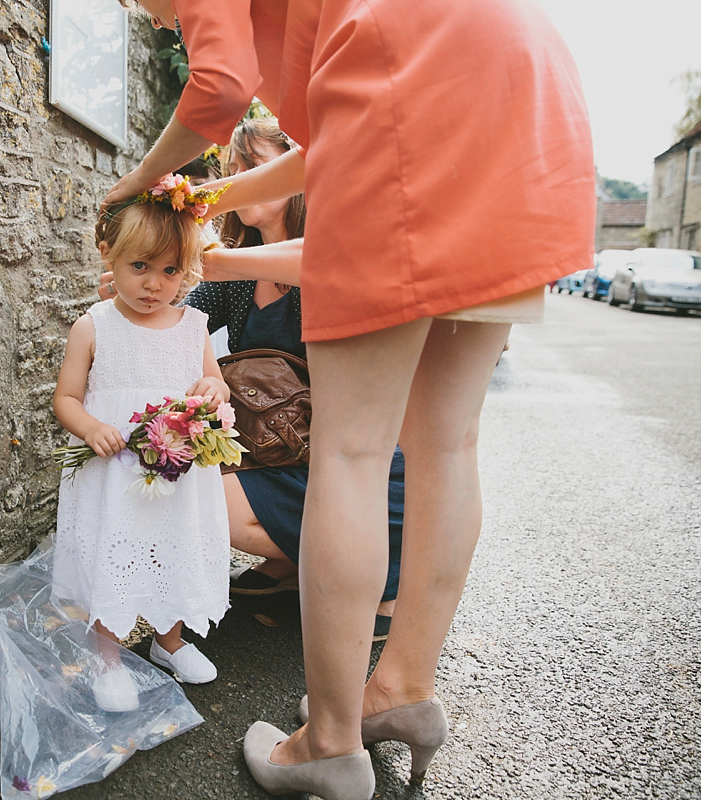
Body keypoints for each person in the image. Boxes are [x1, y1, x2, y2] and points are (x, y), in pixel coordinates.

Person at [108, 2, 595, 797]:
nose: (162, 24)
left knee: (353, 449)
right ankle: (401, 688)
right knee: (447, 442)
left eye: (150, 7)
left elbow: (221, 83)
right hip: (521, 79)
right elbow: (327, 149)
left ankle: (330, 743)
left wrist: (137, 181)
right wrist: (209, 198)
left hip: (409, 82)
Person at [100, 117, 403, 636]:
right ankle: (290, 565)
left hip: (353, 459)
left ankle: (381, 581)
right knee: (173, 474)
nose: (237, 179)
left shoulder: (326, 249)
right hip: (281, 447)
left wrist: (217, 262)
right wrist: (135, 293)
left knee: (199, 499)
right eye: (232, 168)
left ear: (294, 176)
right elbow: (176, 324)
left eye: (254, 168)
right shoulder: (235, 277)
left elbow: (341, 273)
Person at [52, 178, 232, 713]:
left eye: (171, 270)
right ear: (110, 254)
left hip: (177, 473)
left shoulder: (192, 326)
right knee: (120, 552)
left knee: (173, 549)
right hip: (115, 473)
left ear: (188, 269)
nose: (155, 285)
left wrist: (212, 389)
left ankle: (168, 639)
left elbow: (216, 384)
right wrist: (88, 427)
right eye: (140, 267)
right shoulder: (94, 326)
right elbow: (66, 397)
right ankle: (107, 653)